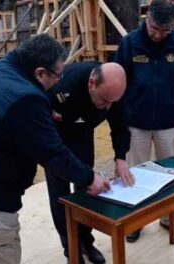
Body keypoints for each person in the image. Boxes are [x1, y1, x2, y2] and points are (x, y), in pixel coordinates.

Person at [0, 34, 111, 264]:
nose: (59, 81)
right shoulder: (24, 98)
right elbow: (52, 153)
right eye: (58, 75)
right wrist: (91, 178)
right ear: (40, 72)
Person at [113, 0, 174, 243]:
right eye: (154, 28)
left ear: (172, 27)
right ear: (146, 19)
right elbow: (118, 79)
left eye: (164, 30)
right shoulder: (130, 43)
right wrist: (120, 117)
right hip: (136, 121)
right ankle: (136, 219)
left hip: (168, 120)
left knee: (169, 173)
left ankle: (167, 218)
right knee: (136, 174)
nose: (158, 35)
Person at [46, 62, 135, 264]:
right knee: (61, 196)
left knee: (88, 189)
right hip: (55, 138)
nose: (108, 107)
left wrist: (120, 157)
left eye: (113, 101)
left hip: (83, 135)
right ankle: (70, 247)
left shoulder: (113, 91)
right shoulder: (62, 86)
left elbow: (120, 125)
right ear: (92, 83)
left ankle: (86, 241)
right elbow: (42, 124)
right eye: (104, 100)